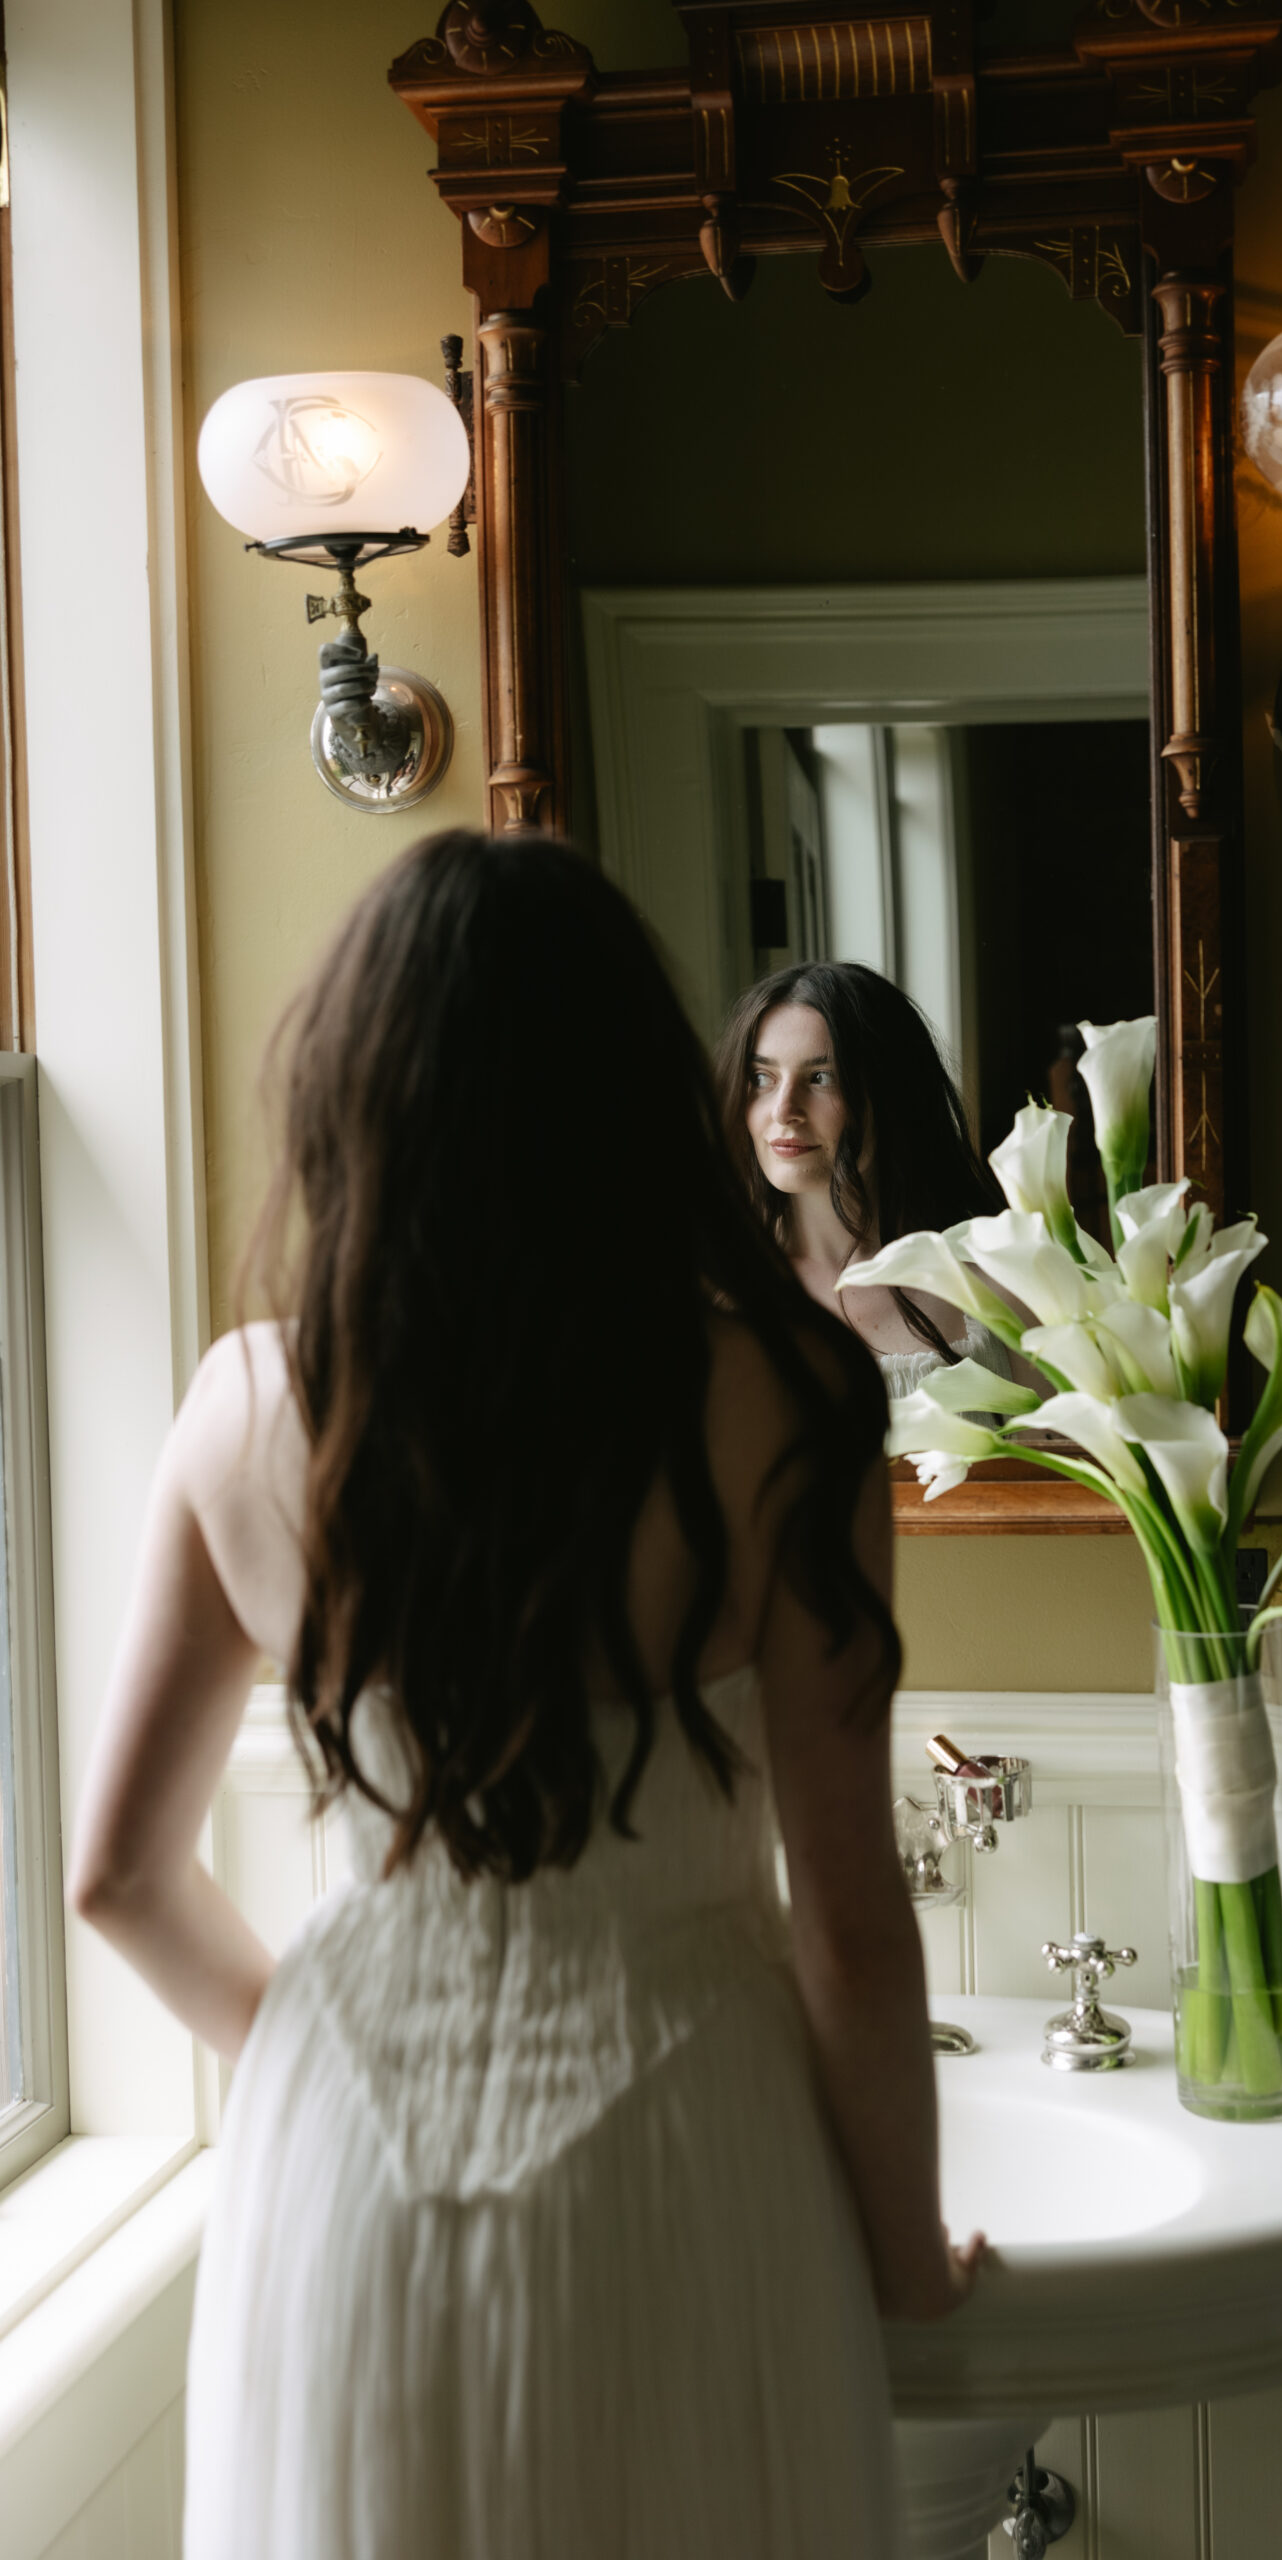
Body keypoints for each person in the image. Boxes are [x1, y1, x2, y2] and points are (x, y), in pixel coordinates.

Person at [68, 833, 982, 2560]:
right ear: (638, 1095)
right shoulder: (787, 1401)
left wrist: (324, 2066)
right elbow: (853, 1926)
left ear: (361, 1089)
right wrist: (912, 2269)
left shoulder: (243, 1406)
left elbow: (115, 1876)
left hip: (340, 2168)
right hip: (691, 2149)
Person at [715, 959, 1010, 1400]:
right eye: (762, 1078)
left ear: (893, 1095)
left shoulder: (999, 1283)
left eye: (820, 1078)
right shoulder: (712, 1292)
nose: (783, 1111)